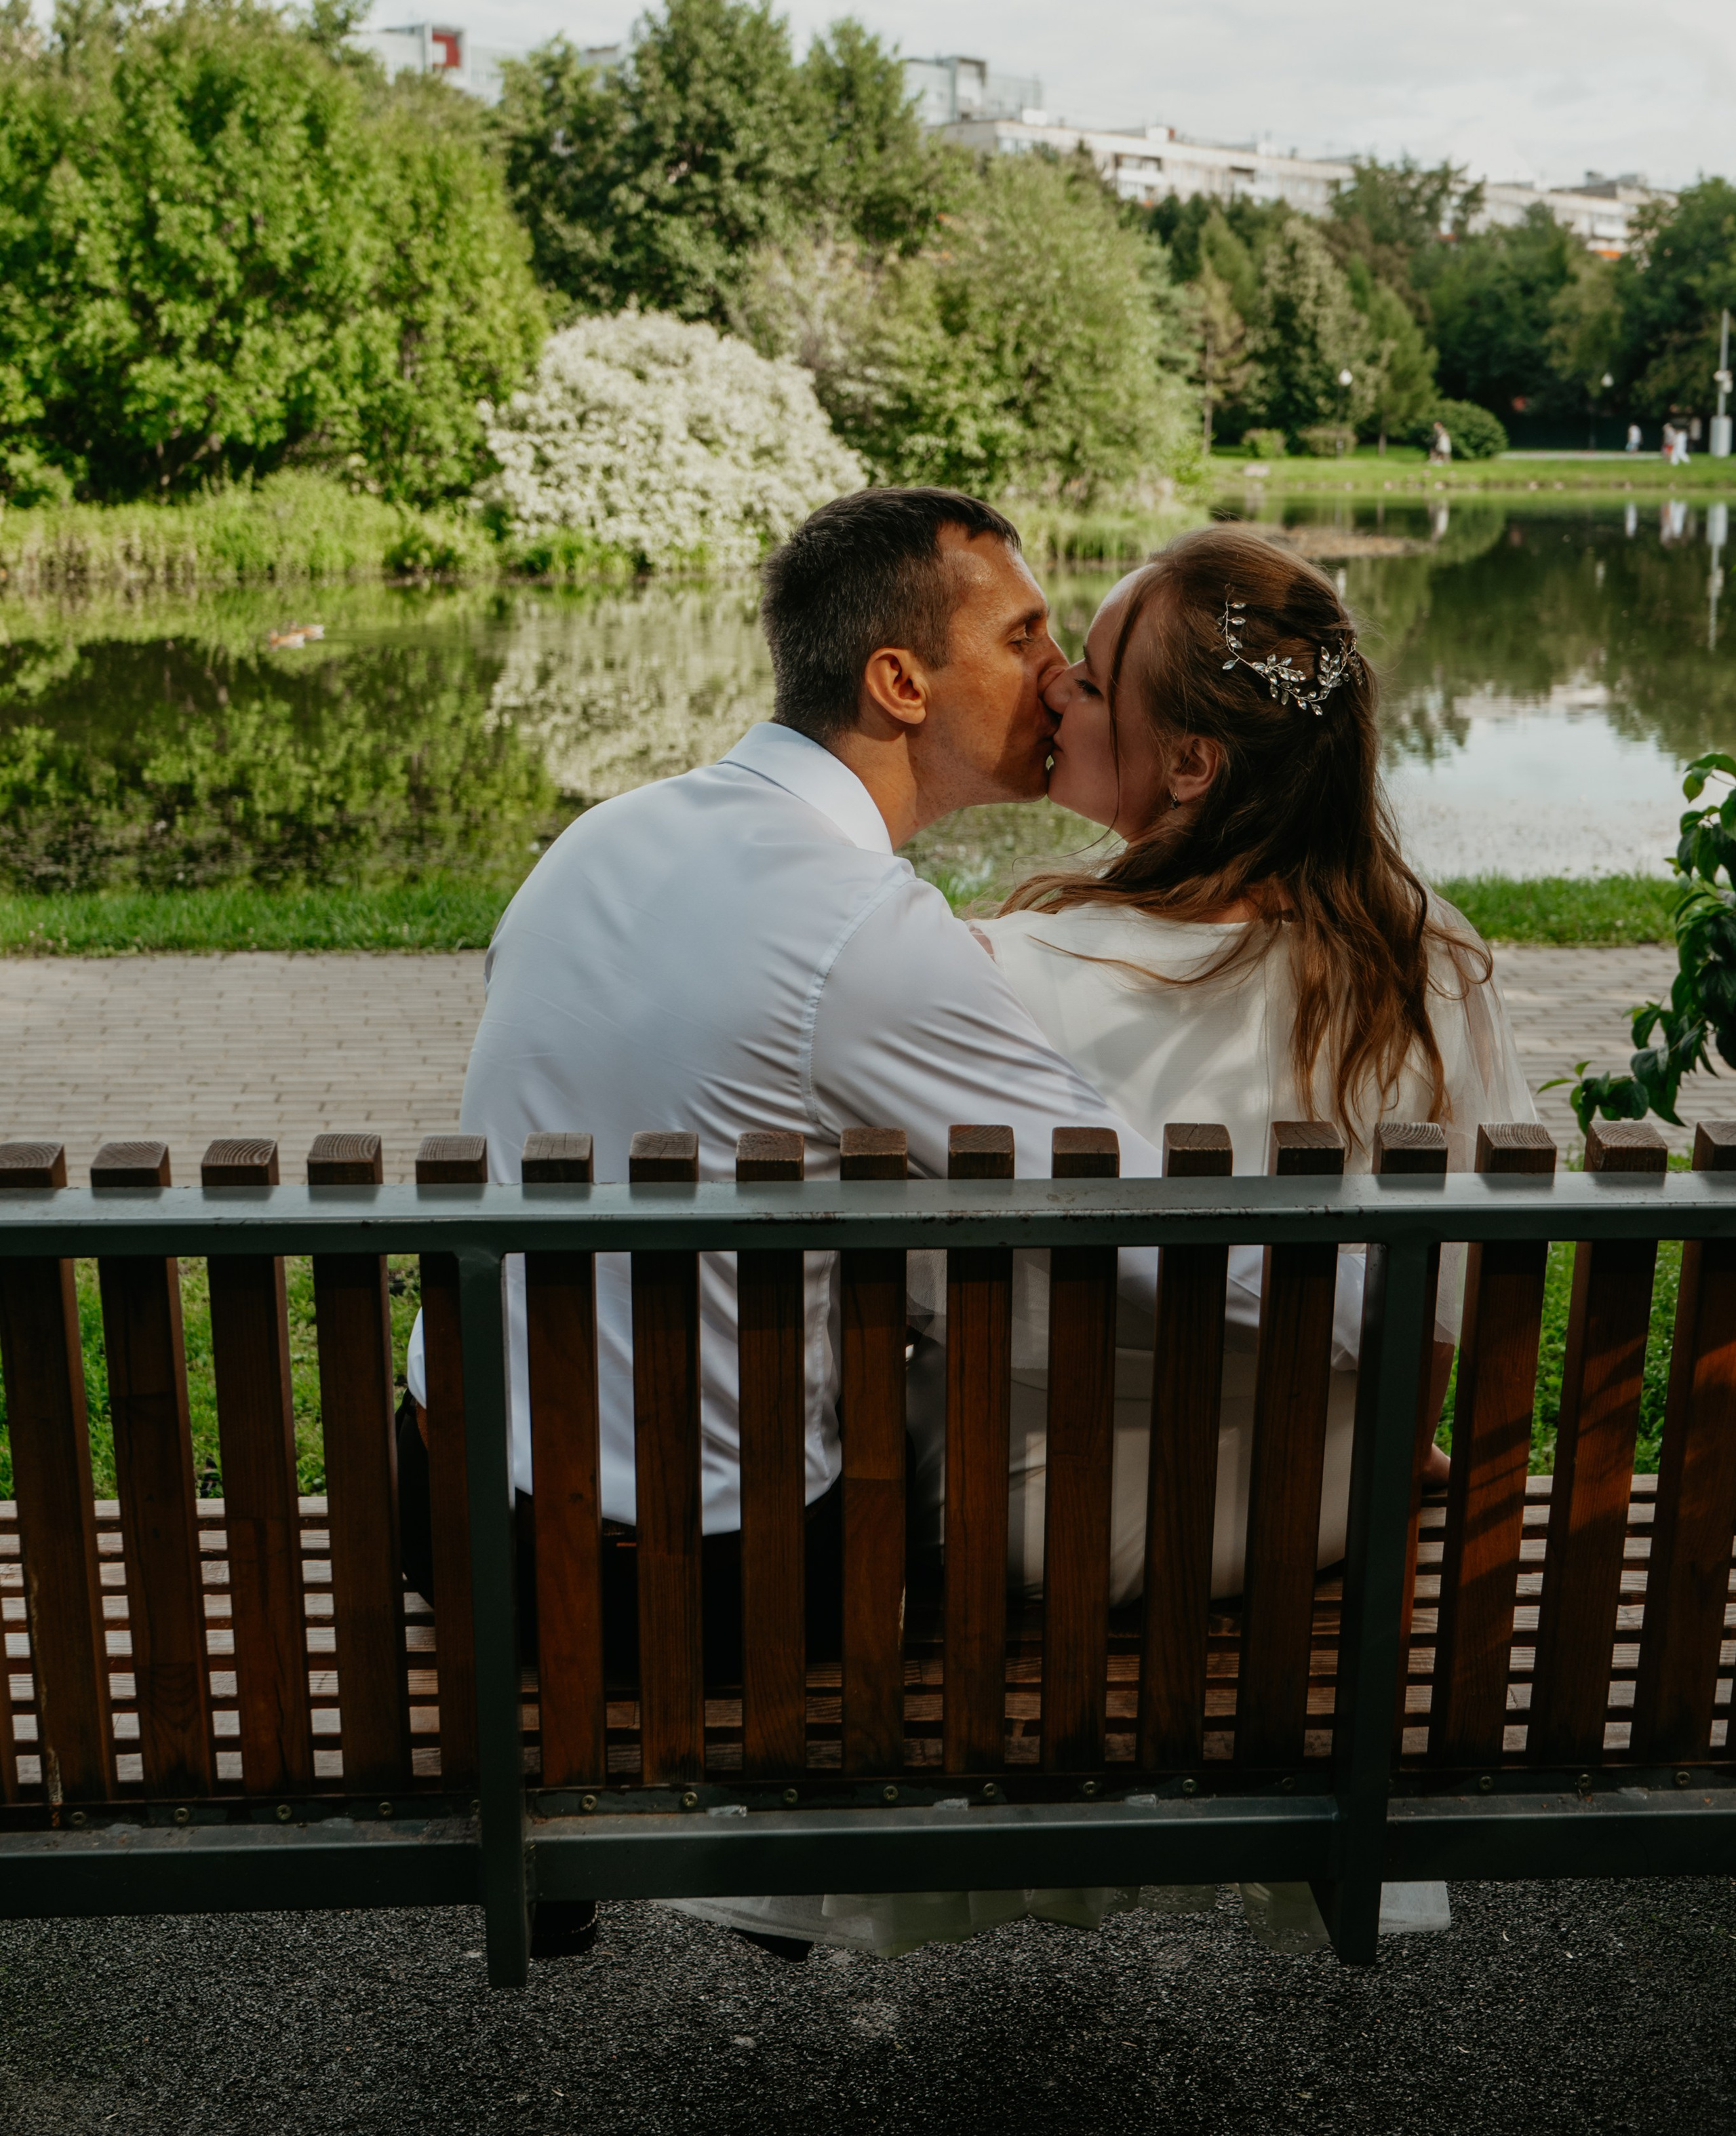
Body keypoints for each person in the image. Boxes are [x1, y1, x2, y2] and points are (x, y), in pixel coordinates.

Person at [399, 486, 1168, 1955]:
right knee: (954, 1399)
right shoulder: (859, 930)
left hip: (450, 1503)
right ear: (899, 682)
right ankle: (786, 1876)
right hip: (679, 1589)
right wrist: (1372, 1333)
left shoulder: (605, 831)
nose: (1060, 673)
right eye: (1023, 637)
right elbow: (1140, 1204)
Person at [966, 524, 1534, 1611]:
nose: (1055, 697)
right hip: (1319, 1496)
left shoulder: (1003, 968)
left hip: (1046, 1514)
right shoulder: (1427, 957)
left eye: (1089, 681)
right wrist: (1404, 1454)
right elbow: (1450, 1277)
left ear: (1191, 763)